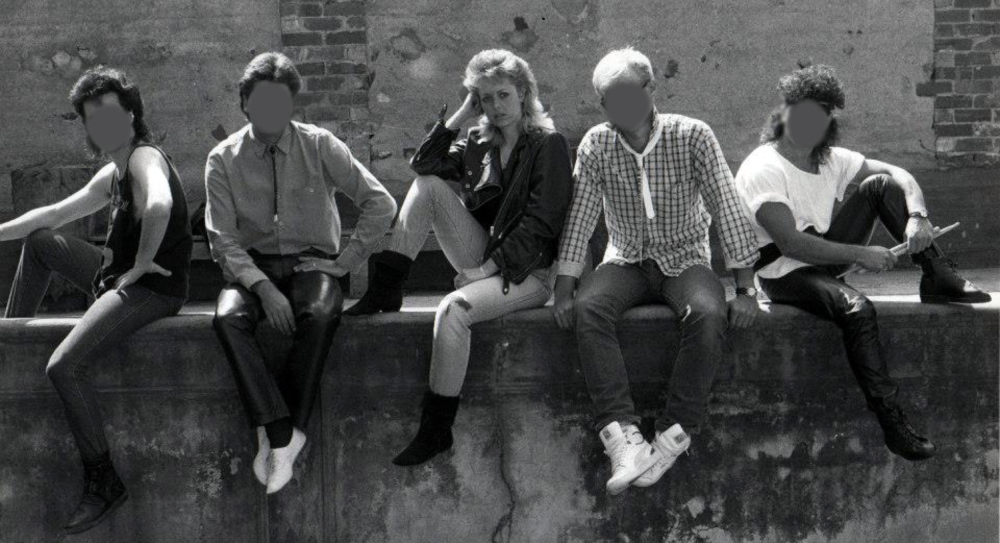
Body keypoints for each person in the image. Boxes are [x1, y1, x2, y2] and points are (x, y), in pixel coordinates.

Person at [735, 64, 991, 461]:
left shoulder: (829, 159)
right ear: (784, 114)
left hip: (821, 256)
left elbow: (898, 172)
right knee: (857, 309)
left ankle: (937, 274)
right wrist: (862, 255)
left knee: (880, 185)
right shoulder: (763, 166)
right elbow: (790, 243)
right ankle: (892, 423)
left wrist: (918, 217)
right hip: (782, 271)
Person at [347, 49, 573, 467]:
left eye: (504, 95)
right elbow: (424, 164)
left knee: (453, 310)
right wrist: (461, 116)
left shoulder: (548, 144)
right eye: (486, 99)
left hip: (530, 270)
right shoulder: (479, 142)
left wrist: (483, 271)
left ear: (525, 93)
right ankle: (387, 287)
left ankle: (436, 429)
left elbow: (542, 224)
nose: (496, 107)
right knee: (428, 186)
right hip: (485, 255)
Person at [551, 48, 762, 495]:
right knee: (590, 308)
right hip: (625, 257)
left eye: (630, 95)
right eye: (610, 101)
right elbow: (581, 216)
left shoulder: (693, 136)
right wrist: (565, 287)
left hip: (686, 257)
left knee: (708, 314)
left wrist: (746, 287)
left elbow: (727, 205)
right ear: (602, 105)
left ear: (651, 90)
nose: (621, 108)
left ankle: (671, 437)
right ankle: (621, 437)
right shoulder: (597, 144)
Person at [0, 66, 192, 533]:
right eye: (91, 118)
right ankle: (8, 345)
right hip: (118, 279)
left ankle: (104, 480)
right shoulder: (116, 169)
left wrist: (144, 261)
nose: (100, 125)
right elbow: (55, 212)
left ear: (130, 113)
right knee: (42, 240)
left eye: (107, 114)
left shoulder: (145, 158)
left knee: (64, 366)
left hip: (151, 289)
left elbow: (161, 204)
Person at [205, 52, 396, 493]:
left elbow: (380, 203)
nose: (271, 111)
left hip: (313, 263)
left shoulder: (320, 145)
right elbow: (222, 240)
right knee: (227, 319)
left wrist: (345, 262)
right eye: (262, 101)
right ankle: (280, 432)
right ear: (245, 103)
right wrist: (264, 290)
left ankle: (280, 436)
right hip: (251, 269)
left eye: (281, 101)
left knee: (322, 314)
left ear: (293, 105)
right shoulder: (222, 158)